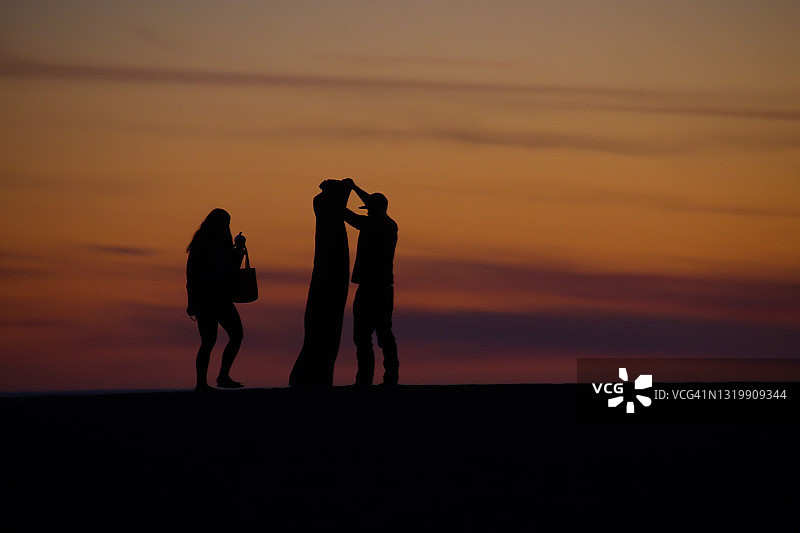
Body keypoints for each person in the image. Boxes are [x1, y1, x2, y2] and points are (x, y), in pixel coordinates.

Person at [289, 179, 352, 387]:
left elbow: (344, 196)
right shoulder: (327, 206)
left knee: (323, 328)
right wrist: (351, 186)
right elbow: (346, 194)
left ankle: (314, 375)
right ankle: (315, 375)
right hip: (330, 273)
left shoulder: (326, 205)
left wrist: (346, 187)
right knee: (326, 327)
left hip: (327, 271)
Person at [343, 178, 399, 386]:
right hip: (378, 288)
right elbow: (371, 204)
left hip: (374, 289)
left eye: (369, 209)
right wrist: (354, 188)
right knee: (370, 335)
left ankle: (372, 378)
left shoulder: (375, 225)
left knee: (373, 335)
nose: (367, 212)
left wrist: (341, 197)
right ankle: (374, 378)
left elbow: (348, 215)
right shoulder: (388, 224)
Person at [186, 208, 247, 392]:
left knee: (213, 340)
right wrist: (238, 249)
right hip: (214, 299)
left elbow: (192, 275)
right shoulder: (208, 244)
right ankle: (213, 380)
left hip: (211, 299)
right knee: (221, 338)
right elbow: (194, 275)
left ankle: (212, 380)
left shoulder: (202, 243)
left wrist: (238, 248)